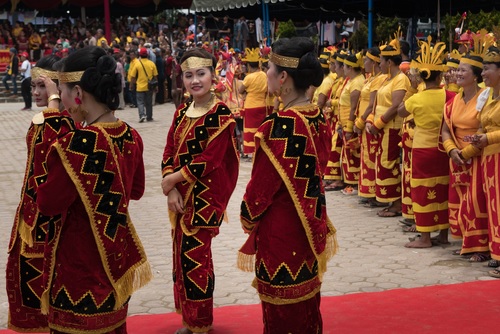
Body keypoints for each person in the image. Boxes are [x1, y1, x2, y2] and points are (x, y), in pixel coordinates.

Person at [36, 46, 152, 333]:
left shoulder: (74, 145)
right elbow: (136, 190)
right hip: (115, 263)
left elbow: (47, 203)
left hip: (78, 269)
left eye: (61, 91)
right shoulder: (131, 135)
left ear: (78, 94)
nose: (60, 100)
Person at [238, 36, 337, 333]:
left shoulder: (280, 126)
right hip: (309, 224)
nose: (265, 72)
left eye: (269, 67)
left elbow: (261, 189)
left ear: (283, 76)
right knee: (306, 305)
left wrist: (246, 216)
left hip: (280, 232)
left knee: (282, 311)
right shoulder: (318, 118)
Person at [161, 47, 239, 334]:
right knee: (182, 256)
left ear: (213, 76)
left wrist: (173, 179)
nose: (195, 81)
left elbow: (211, 159)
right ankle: (189, 318)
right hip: (180, 198)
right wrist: (170, 187)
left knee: (196, 259)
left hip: (205, 200)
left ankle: (200, 323)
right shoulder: (181, 112)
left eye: (201, 74)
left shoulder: (221, 114)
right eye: (188, 75)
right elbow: (169, 148)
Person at [6, 55, 74, 333]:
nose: (35, 92)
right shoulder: (50, 117)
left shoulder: (64, 120)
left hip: (51, 215)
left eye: (42, 86)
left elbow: (52, 149)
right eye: (33, 86)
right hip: (31, 210)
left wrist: (55, 103)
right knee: (26, 275)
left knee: (44, 277)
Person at [398, 37, 455, 248]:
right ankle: (443, 235)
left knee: (422, 189)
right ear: (440, 75)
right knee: (442, 187)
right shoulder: (449, 95)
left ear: (421, 77)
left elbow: (401, 111)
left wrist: (413, 89)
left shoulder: (416, 98)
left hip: (422, 149)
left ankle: (424, 238)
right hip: (443, 148)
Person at [440, 30, 491, 261]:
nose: (456, 73)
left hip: (478, 157)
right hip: (457, 158)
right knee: (461, 200)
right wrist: (452, 150)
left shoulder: (485, 99)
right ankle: (465, 241)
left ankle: (479, 246)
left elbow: (485, 128)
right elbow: (445, 129)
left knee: (477, 201)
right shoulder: (453, 100)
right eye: (457, 69)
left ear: (476, 75)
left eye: (462, 70)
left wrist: (468, 152)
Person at [366, 38, 410, 217]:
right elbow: (376, 102)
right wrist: (370, 120)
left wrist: (378, 123)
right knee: (383, 163)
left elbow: (396, 106)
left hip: (392, 127)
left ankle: (397, 203)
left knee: (390, 163)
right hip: (382, 128)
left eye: (382, 61)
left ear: (389, 62)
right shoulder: (386, 79)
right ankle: (392, 201)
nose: (380, 64)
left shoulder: (400, 79)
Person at [475, 46, 500, 276]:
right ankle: (497, 251)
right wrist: (477, 136)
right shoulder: (488, 96)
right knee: (494, 207)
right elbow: (483, 123)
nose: (483, 74)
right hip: (489, 157)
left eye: (486, 69)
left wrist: (488, 137)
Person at [354, 47, 387, 207]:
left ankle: (375, 192)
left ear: (375, 63)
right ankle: (368, 191)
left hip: (370, 122)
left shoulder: (380, 79)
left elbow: (371, 105)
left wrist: (361, 121)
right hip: (366, 122)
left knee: (372, 158)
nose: (364, 63)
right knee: (366, 157)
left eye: (367, 60)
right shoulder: (372, 78)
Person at [338, 52, 365, 195]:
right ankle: (350, 184)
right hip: (345, 122)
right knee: (347, 155)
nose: (343, 69)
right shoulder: (351, 80)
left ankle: (353, 185)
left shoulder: (357, 82)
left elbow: (353, 107)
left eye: (345, 66)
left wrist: (349, 127)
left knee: (353, 154)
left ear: (350, 68)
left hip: (352, 123)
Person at [238, 48, 268, 160]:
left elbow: (240, 90)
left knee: (250, 128)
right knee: (260, 127)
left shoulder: (248, 77)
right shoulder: (264, 75)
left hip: (250, 105)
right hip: (262, 104)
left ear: (250, 66)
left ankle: (251, 151)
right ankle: (260, 148)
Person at [130, 47, 158, 122]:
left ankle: (142, 115)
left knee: (140, 102)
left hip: (140, 87)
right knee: (149, 102)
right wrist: (156, 86)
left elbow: (133, 76)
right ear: (147, 55)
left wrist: (131, 85)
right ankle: (149, 117)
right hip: (149, 87)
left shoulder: (137, 64)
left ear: (139, 55)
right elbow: (155, 76)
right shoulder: (151, 63)